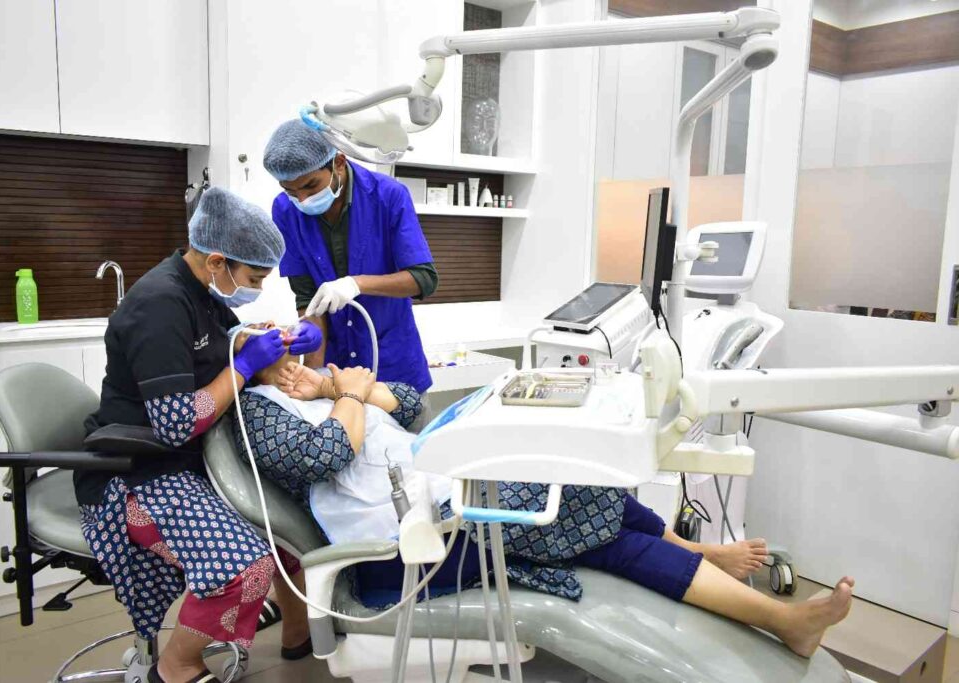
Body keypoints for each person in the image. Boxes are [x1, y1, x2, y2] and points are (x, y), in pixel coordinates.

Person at [233, 358, 855, 660]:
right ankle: (780, 620)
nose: (297, 364)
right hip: (403, 557)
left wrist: (344, 389)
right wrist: (344, 395)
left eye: (300, 353)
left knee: (592, 487)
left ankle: (695, 553)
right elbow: (323, 454)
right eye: (285, 355)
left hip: (448, 503)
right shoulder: (257, 414)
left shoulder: (315, 390)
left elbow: (413, 404)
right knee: (591, 522)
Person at [78, 187, 319, 683]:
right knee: (245, 566)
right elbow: (175, 423)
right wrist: (248, 366)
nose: (257, 287)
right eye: (254, 278)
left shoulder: (201, 292)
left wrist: (278, 347)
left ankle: (299, 632)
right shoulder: (159, 305)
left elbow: (221, 348)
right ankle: (176, 666)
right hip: (136, 474)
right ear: (216, 261)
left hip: (194, 462)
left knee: (287, 528)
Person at [262, 119, 438, 429]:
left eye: (310, 186)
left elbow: (423, 279)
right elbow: (307, 297)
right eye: (290, 190)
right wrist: (315, 367)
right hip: (337, 380)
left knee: (409, 470)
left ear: (339, 162)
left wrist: (357, 284)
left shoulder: (388, 196)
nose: (301, 200)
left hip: (394, 371)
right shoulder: (285, 210)